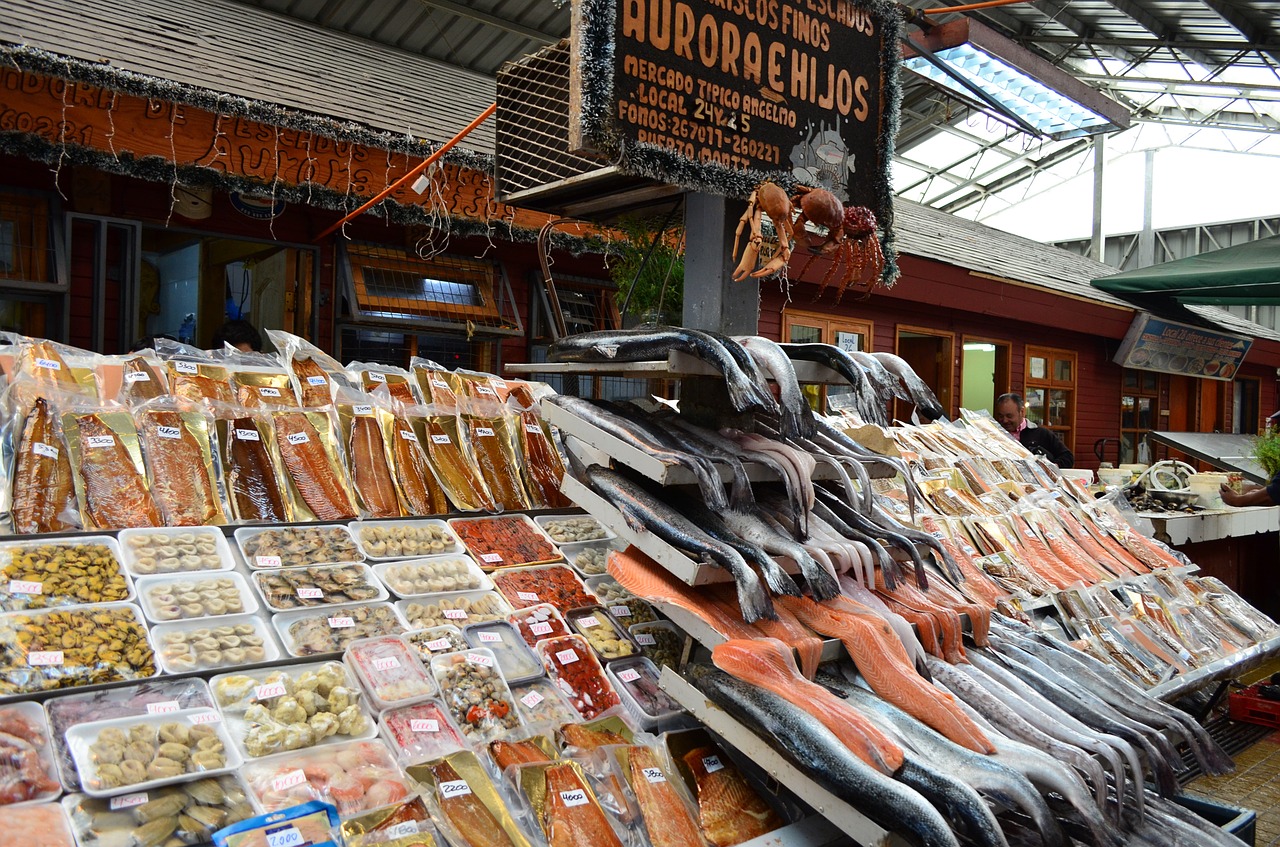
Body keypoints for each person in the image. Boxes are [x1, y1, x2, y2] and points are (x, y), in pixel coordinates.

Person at [993, 392, 1075, 468]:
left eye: (1009, 416)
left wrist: (1052, 468)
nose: (1004, 420)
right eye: (1000, 416)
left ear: (1022, 412)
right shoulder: (994, 435)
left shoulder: (1042, 434)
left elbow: (1068, 457)